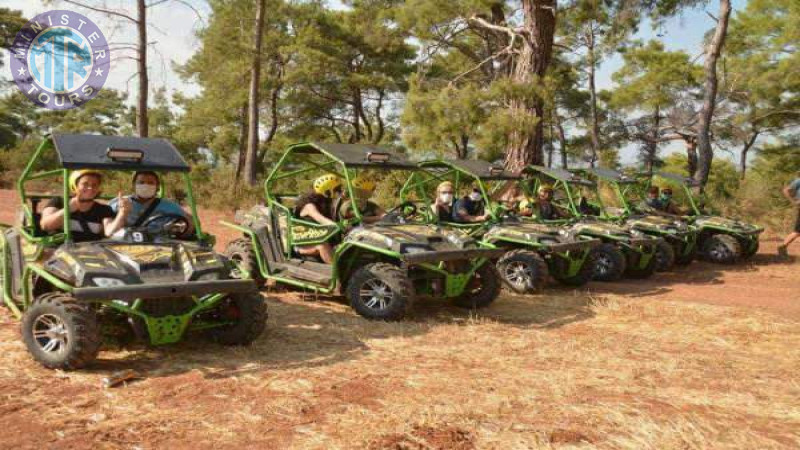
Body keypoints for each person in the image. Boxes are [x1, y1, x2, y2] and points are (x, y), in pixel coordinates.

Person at [40, 170, 129, 242]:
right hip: (58, 250)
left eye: (94, 185)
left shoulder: (104, 210)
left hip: (90, 252)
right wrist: (67, 209)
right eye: (85, 184)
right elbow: (45, 225)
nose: (90, 188)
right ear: (75, 186)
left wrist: (122, 213)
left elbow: (109, 232)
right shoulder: (59, 202)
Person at [109, 171, 193, 233]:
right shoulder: (118, 203)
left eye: (150, 183)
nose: (146, 186)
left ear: (157, 187)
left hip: (160, 246)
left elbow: (189, 223)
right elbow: (106, 228)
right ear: (134, 185)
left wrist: (185, 226)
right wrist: (122, 212)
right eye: (141, 182)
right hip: (123, 245)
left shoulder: (170, 206)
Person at [292, 174, 341, 264]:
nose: (339, 192)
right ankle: (337, 275)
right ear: (327, 191)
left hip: (318, 238)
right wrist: (337, 226)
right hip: (304, 244)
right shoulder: (309, 206)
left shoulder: (326, 204)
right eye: (337, 190)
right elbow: (320, 218)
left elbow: (335, 219)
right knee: (322, 245)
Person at [777, 174, 800, 258]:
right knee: (797, 232)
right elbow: (786, 190)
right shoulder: (798, 181)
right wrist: (794, 201)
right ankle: (782, 247)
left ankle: (782, 247)